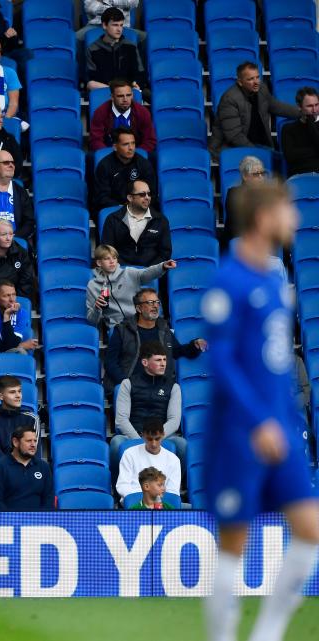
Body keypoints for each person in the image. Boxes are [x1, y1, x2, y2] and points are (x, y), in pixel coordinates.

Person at [202, 181, 319, 641]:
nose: (295, 217)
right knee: (234, 544)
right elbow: (221, 360)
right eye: (286, 209)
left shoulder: (274, 277)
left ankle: (266, 635)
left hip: (280, 428)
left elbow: (275, 364)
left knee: (310, 528)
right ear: (263, 217)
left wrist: (286, 421)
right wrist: (258, 421)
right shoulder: (228, 280)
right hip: (239, 432)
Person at [104, 287, 206, 390]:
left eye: (157, 302)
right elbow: (110, 362)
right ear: (139, 308)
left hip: (160, 389)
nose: (155, 306)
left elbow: (177, 351)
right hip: (131, 388)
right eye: (150, 302)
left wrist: (195, 345)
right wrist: (126, 384)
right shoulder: (122, 330)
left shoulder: (164, 329)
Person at [112, 342, 186, 466]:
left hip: (162, 436)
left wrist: (155, 439)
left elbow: (174, 421)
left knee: (181, 445)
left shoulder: (173, 387)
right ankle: (116, 485)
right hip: (133, 435)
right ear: (145, 363)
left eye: (164, 360)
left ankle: (175, 484)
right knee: (116, 443)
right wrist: (139, 441)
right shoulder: (128, 384)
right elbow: (121, 419)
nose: (163, 364)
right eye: (158, 360)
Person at [210, 61, 299, 157]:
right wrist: (257, 153)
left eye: (257, 77)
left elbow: (276, 106)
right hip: (232, 148)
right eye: (251, 79)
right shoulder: (230, 99)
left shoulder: (261, 89)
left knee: (282, 161)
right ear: (240, 82)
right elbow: (234, 136)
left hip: (258, 145)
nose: (256, 82)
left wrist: (303, 112)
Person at [85, 244, 175, 330]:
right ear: (99, 262)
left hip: (140, 322)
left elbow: (147, 273)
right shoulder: (93, 285)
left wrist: (162, 266)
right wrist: (97, 308)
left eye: (114, 258)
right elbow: (92, 321)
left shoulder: (128, 273)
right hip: (117, 327)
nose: (112, 261)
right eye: (107, 259)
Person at [99, 179, 171, 268]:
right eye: (142, 194)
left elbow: (165, 253)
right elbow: (107, 251)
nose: (147, 197)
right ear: (130, 198)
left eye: (149, 194)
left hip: (150, 274)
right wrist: (125, 271)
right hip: (121, 273)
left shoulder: (161, 220)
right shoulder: (113, 219)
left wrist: (148, 271)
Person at [0, 425, 54, 511]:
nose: (33, 445)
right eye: (29, 441)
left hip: (37, 521)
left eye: (35, 441)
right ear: (15, 442)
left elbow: (49, 498)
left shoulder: (43, 467)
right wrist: (11, 520)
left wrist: (40, 520)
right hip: (8, 521)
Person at [0, 376, 40, 470]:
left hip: (27, 469)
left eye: (19, 391)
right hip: (2, 470)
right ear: (1, 396)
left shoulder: (32, 419)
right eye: (12, 392)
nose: (18, 396)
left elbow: (33, 452)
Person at [115, 419, 182, 502]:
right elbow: (122, 485)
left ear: (163, 435)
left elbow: (173, 491)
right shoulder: (129, 454)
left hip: (161, 505)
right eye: (149, 439)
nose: (154, 444)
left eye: (157, 439)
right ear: (142, 436)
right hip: (134, 503)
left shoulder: (173, 460)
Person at [92, 127, 156, 212]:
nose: (131, 148)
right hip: (113, 211)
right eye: (125, 144)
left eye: (133, 143)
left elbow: (152, 193)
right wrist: (123, 207)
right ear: (115, 147)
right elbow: (101, 198)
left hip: (139, 209)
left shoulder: (144, 164)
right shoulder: (104, 166)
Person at [85, 7, 146, 92]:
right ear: (104, 25)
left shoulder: (131, 46)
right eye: (115, 25)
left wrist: (135, 84)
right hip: (105, 91)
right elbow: (91, 79)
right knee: (91, 84)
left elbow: (140, 74)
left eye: (121, 25)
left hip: (127, 92)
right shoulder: (92, 48)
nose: (119, 29)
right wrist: (115, 90)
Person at [89, 78, 156, 152]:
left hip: (135, 155)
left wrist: (135, 155)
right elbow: (95, 141)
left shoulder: (143, 112)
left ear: (132, 95)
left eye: (128, 95)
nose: (125, 99)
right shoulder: (100, 112)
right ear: (112, 97)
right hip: (108, 155)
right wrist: (109, 157)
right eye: (120, 96)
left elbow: (149, 140)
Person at [0, 280, 37, 357]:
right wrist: (21, 345)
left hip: (12, 357)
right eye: (6, 296)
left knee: (20, 353)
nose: (12, 299)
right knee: (20, 351)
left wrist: (6, 317)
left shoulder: (22, 314)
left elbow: (11, 344)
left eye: (14, 294)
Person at [281, 86, 319, 177]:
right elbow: (290, 157)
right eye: (309, 106)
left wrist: (311, 125)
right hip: (299, 176)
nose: (314, 110)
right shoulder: (288, 129)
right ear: (299, 106)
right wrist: (315, 151)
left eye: (317, 105)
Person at [77, 1, 142, 44]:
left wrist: (107, 1)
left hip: (122, 26)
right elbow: (90, 8)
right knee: (73, 39)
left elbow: (133, 2)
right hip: (96, 25)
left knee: (147, 39)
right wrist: (118, 9)